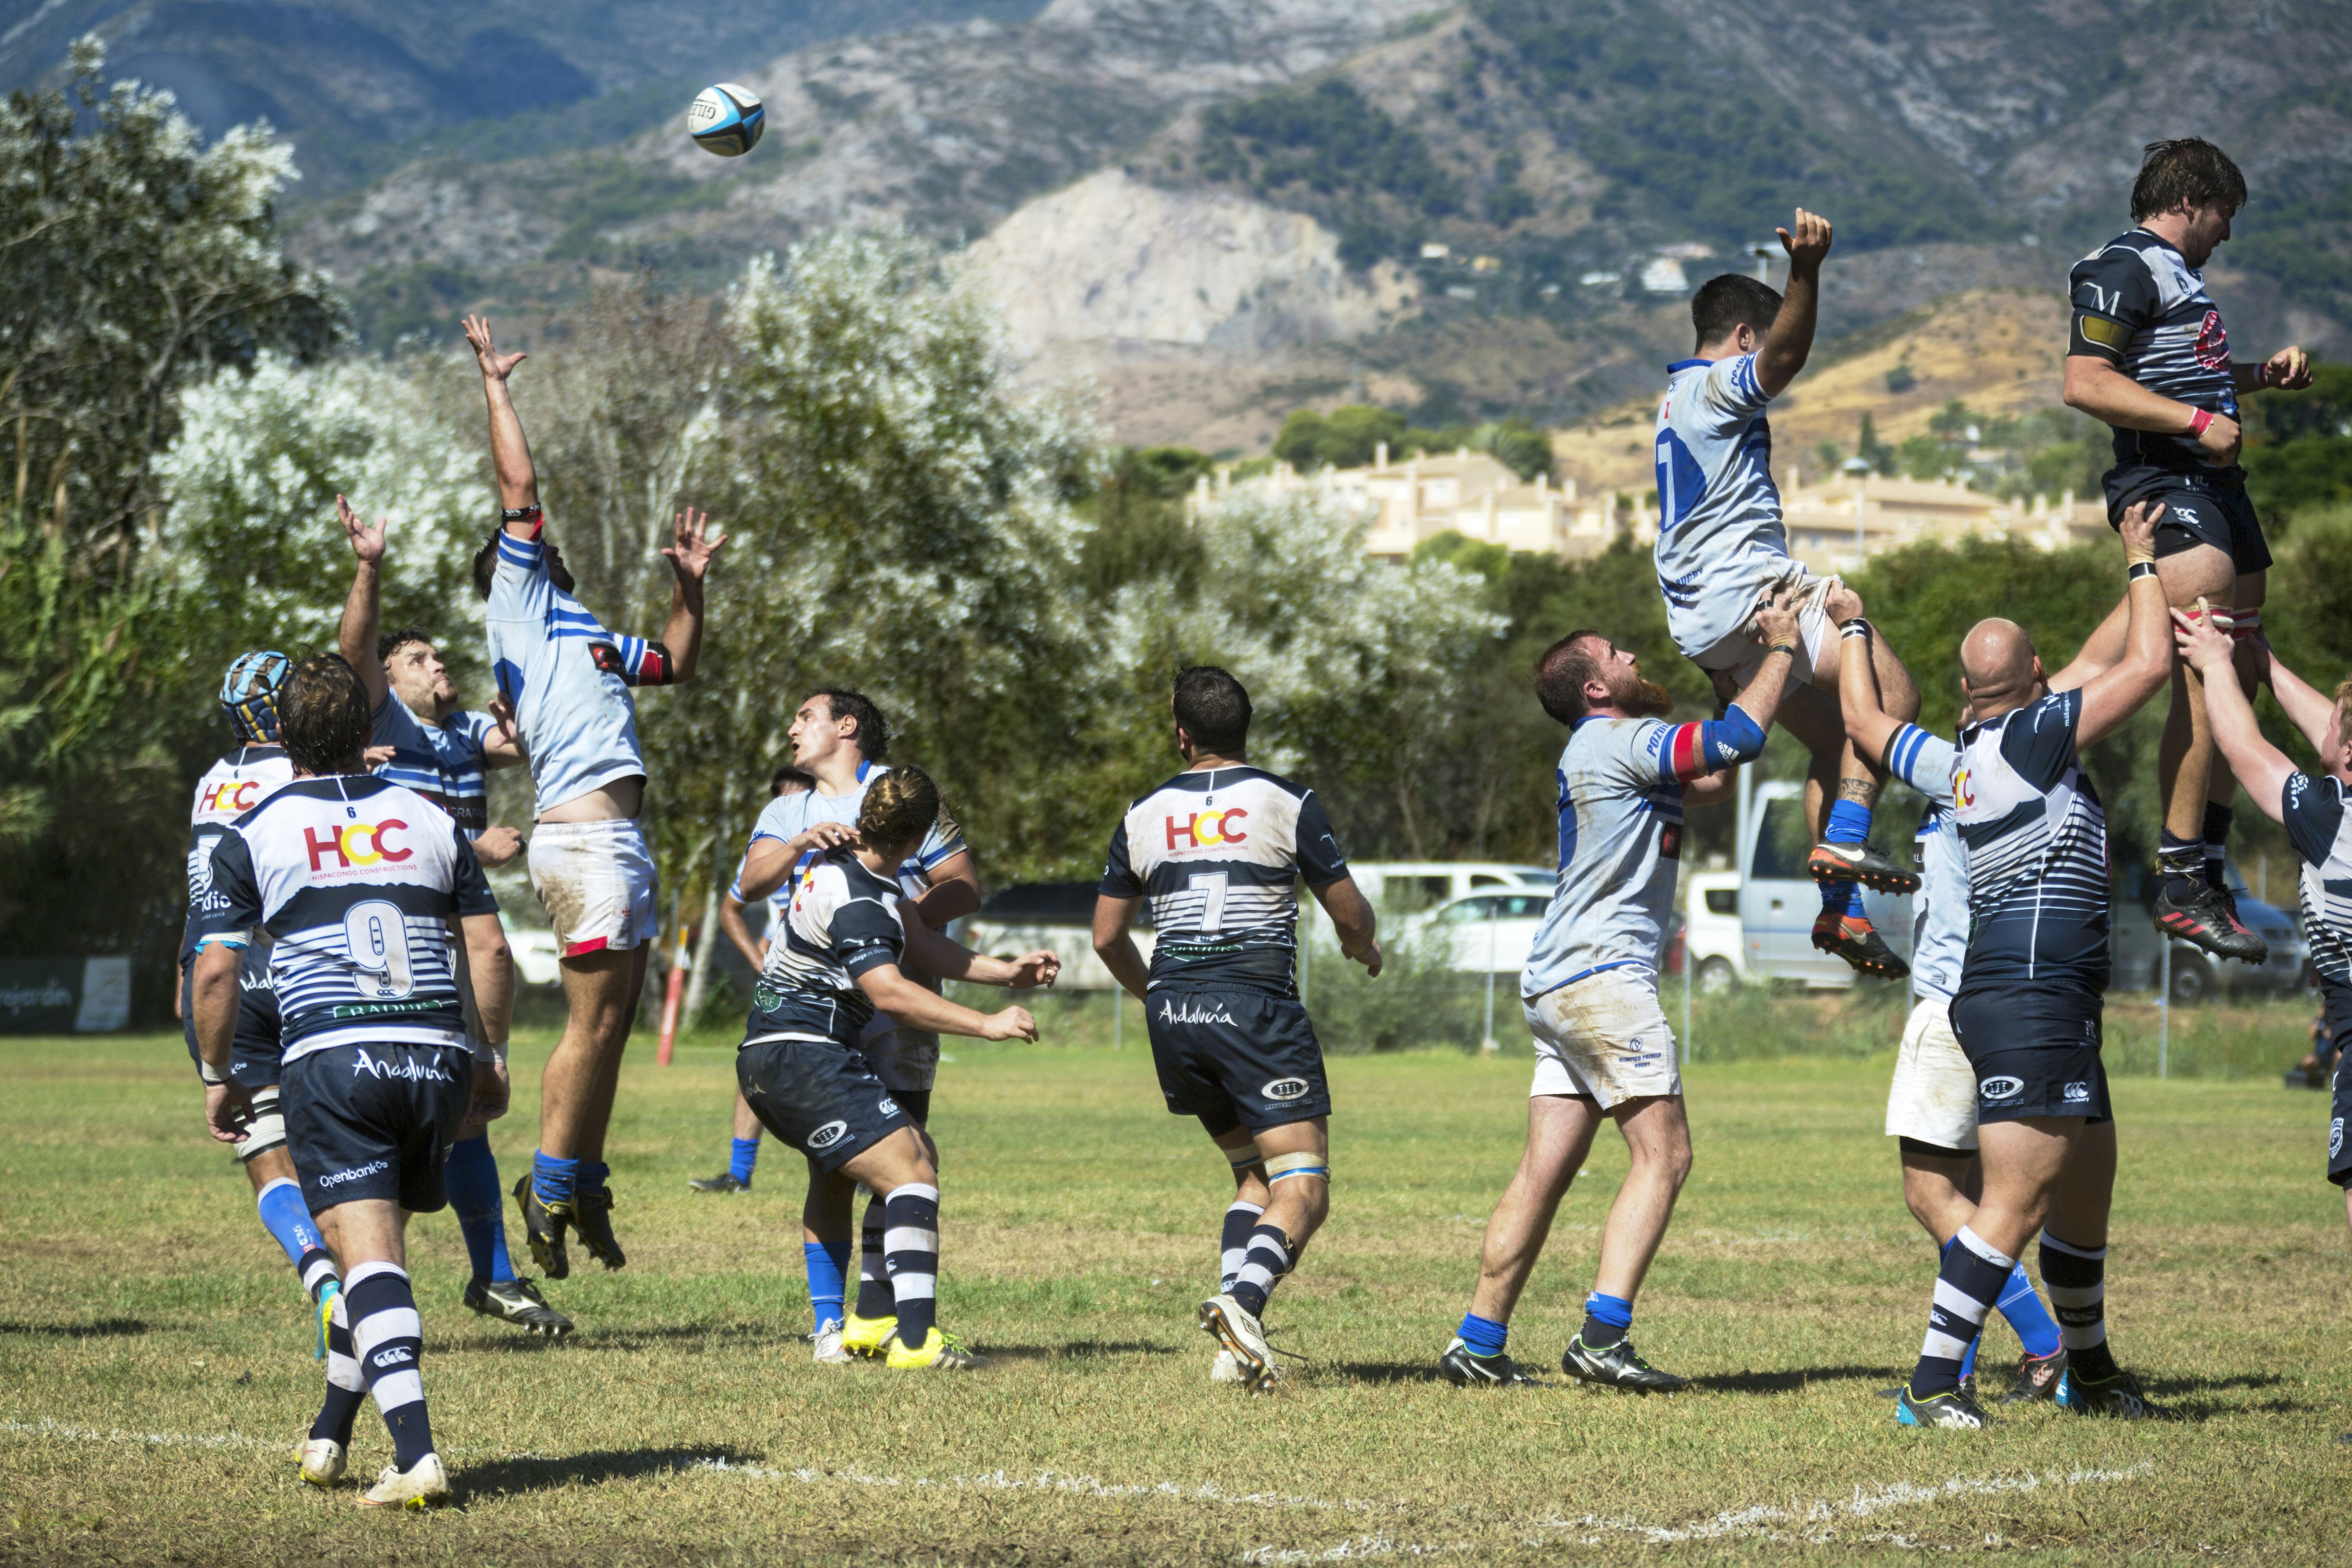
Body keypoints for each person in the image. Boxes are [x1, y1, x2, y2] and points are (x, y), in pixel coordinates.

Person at [1439, 595, 1803, 1391]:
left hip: (1560, 980)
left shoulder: (1606, 747)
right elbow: (1738, 740)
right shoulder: (1616, 738)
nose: (1633, 656)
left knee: (1543, 1171)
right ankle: (1604, 1337)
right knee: (1664, 1155)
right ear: (1594, 690)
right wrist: (1779, 649)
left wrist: (1727, 677)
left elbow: (1707, 776)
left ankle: (1478, 1339)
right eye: (1615, 653)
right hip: (1605, 978)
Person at [190, 651, 514, 1508]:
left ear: (285, 741)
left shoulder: (253, 828)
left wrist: (217, 1073)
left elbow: (216, 972)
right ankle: (332, 1435)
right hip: (435, 1055)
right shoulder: (433, 816)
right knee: (376, 1257)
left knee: (366, 1258)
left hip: (336, 1059)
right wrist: (490, 1058)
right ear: (370, 733)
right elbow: (489, 948)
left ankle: (417, 1457)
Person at [1894, 501, 2174, 1428]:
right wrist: (2139, 562)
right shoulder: (2030, 738)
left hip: (2040, 998)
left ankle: (2089, 1371)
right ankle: (1931, 1383)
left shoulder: (1976, 745)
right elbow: (2136, 666)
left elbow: (2096, 659)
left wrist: (2146, 573)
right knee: (2011, 1202)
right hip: (2028, 1000)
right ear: (2034, 680)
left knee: (2079, 1202)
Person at [462, 314, 726, 1280]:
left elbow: (678, 662)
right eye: (522, 543)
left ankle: (580, 1176)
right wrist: (496, 383)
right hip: (581, 845)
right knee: (589, 1024)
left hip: (624, 845)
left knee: (612, 1027)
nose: (535, 539)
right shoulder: (518, 604)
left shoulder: (587, 629)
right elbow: (519, 488)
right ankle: (547, 1180)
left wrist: (690, 587)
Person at [1831, 580, 2117, 1406]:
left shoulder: (1958, 764)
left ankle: (2032, 1344)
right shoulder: (2019, 746)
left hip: (1962, 998)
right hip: (2024, 998)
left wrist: (1847, 630)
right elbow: (2102, 663)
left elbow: (1861, 725)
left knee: (1944, 1192)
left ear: (1968, 695)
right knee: (2041, 1196)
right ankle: (2069, 1354)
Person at [1092, 666, 1383, 1392]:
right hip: (1253, 1007)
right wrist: (1362, 946)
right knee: (1305, 1184)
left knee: (1252, 1173)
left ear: (1181, 734)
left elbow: (1105, 937)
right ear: (1243, 728)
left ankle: (1233, 1352)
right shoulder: (1287, 800)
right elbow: (1349, 912)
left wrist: (1158, 996)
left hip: (1176, 1013)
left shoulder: (1142, 812)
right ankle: (1242, 1301)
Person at [2061, 137, 2314, 962]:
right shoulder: (2123, 265)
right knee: (2200, 672)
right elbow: (2087, 382)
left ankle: (2206, 856)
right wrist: (2201, 423)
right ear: (2194, 200)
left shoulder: (2183, 280)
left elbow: (2176, 376)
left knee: (2235, 669)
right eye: (2225, 217)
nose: (2228, 237)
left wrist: (2254, 379)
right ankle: (2181, 879)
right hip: (2170, 486)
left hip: (2221, 490)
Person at [1654, 208, 1923, 979]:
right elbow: (1789, 355)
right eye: (1759, 341)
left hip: (1705, 618)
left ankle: (1842, 913)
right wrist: (1805, 272)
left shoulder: (1674, 403)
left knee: (1844, 741)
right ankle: (1844, 838)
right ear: (1743, 336)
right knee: (1894, 699)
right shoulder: (1715, 389)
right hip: (1756, 595)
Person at [335, 497, 571, 1338]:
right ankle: (348, 1277)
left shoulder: (466, 729)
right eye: (418, 657)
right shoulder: (385, 719)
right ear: (389, 682)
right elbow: (352, 651)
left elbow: (553, 732)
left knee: (468, 1101)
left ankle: (493, 1277)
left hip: (455, 928)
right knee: (406, 1102)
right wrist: (370, 566)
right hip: (398, 938)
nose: (437, 664)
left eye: (438, 655)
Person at [733, 765, 1056, 1371]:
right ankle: (916, 1341)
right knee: (911, 1174)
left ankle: (871, 1321)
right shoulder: (861, 898)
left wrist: (1006, 972)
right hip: (801, 1055)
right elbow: (890, 992)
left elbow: (921, 944)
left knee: (914, 1155)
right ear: (920, 837)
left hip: (785, 1053)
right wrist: (987, 1024)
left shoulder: (856, 871)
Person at [717, 694, 982, 1364]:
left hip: (899, 1004)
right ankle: (834, 1325)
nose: (791, 727)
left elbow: (963, 885)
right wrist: (803, 844)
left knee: (905, 1152)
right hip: (821, 1012)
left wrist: (902, 919)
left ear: (846, 726)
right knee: (834, 1166)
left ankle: (882, 1313)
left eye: (803, 716)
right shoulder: (788, 809)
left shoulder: (903, 793)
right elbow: (747, 886)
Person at [178, 650, 344, 1356]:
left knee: (267, 1155)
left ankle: (324, 1285)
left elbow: (203, 897)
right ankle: (364, 1284)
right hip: (300, 973)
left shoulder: (211, 781)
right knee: (339, 1152)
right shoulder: (308, 777)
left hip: (219, 983)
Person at [2172, 608, 2352, 1241]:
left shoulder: (2332, 818)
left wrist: (2219, 662)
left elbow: (2246, 748)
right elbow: (2333, 740)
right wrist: (2263, 660)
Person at [691, 763, 817, 1196]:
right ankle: (738, 1175)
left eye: (800, 799)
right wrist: (759, 959)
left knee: (851, 1065)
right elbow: (731, 910)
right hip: (783, 980)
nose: (791, 808)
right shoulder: (767, 859)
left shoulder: (835, 848)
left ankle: (860, 1167)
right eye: (783, 800)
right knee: (756, 1066)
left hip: (836, 979)